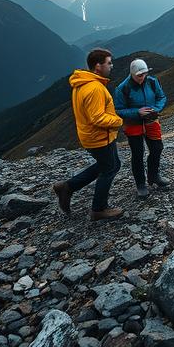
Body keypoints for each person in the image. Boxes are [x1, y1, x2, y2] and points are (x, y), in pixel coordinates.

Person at [52, 48, 124, 220]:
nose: (111, 66)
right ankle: (98, 209)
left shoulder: (83, 83)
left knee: (112, 164)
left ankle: (67, 187)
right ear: (98, 66)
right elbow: (97, 118)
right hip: (99, 137)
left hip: (94, 136)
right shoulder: (95, 88)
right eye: (109, 63)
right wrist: (118, 121)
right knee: (109, 168)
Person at [114, 58, 170, 198]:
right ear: (132, 73)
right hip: (133, 123)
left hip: (151, 119)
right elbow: (119, 110)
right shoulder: (123, 88)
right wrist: (137, 112)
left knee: (157, 148)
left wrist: (155, 109)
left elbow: (161, 96)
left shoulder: (152, 81)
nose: (142, 77)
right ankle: (140, 184)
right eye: (139, 75)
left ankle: (154, 176)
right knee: (138, 154)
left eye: (144, 74)